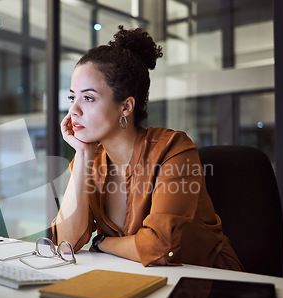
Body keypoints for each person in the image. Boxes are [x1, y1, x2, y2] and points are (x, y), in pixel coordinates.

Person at [52, 25, 244, 271]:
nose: (73, 111)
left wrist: (101, 243)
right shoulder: (91, 161)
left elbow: (158, 248)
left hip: (207, 285)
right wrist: (83, 154)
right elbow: (66, 242)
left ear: (126, 107)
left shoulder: (174, 149)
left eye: (88, 98)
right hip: (137, 280)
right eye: (72, 97)